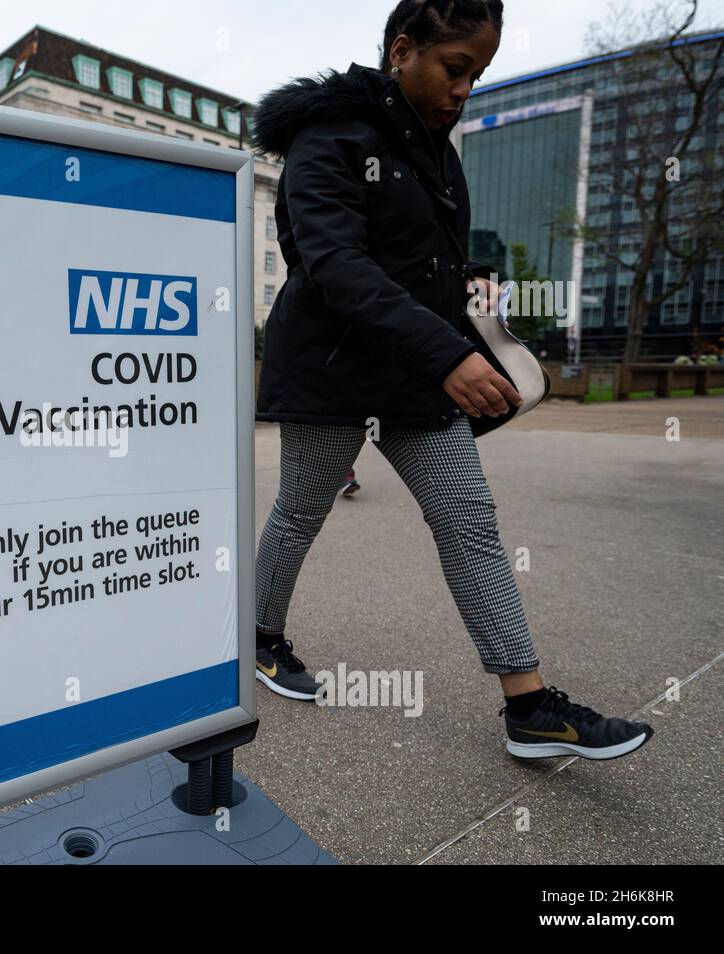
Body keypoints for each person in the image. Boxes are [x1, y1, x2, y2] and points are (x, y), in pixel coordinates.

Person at [247, 0, 652, 761]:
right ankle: (261, 636)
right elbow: (334, 265)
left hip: (412, 371)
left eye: (479, 74)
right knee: (301, 512)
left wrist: (474, 295)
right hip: (333, 366)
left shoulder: (436, 148)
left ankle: (529, 708)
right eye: (456, 67)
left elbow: (418, 262)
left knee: (469, 519)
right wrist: (445, 353)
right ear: (403, 50)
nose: (465, 88)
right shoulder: (328, 137)